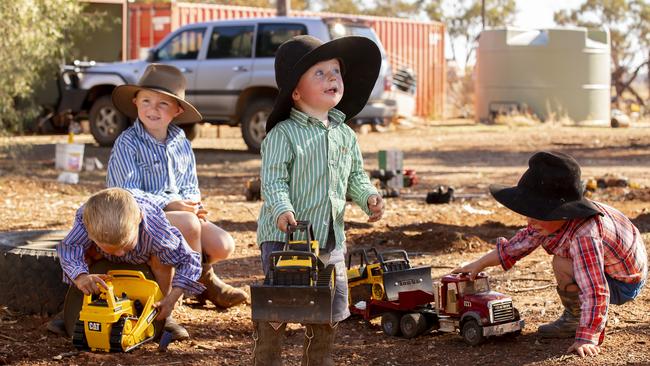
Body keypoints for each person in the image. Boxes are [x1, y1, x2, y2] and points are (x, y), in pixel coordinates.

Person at [252, 35, 385, 366]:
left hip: (330, 239)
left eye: (335, 71)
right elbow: (273, 180)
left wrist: (367, 196)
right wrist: (282, 207)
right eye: (320, 73)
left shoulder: (345, 134)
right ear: (295, 93)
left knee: (328, 311)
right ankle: (267, 359)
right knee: (277, 310)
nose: (332, 78)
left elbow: (355, 176)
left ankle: (319, 361)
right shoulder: (282, 135)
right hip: (284, 240)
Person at [454, 151, 647, 358]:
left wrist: (587, 337)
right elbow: (516, 246)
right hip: (608, 268)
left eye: (537, 213)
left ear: (562, 211)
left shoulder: (585, 235)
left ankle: (577, 320)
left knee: (562, 263)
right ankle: (576, 316)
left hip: (623, 282)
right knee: (564, 260)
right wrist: (479, 264)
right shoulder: (548, 223)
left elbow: (595, 289)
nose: (529, 220)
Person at [107, 63, 247, 309]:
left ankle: (204, 279)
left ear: (178, 110)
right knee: (189, 224)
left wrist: (194, 205)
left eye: (163, 103)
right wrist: (169, 204)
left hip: (179, 214)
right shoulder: (127, 143)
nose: (153, 109)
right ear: (135, 102)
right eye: (147, 101)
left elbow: (189, 185)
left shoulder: (181, 142)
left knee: (223, 244)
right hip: (137, 220)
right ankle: (174, 297)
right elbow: (125, 194)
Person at [57, 187, 206, 339]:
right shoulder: (85, 218)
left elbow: (189, 260)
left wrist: (172, 298)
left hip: (145, 256)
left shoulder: (155, 226)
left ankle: (165, 316)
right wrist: (81, 277)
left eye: (126, 244)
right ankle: (72, 308)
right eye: (113, 249)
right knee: (81, 254)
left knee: (163, 257)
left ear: (140, 218)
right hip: (101, 258)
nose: (121, 254)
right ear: (89, 231)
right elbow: (70, 247)